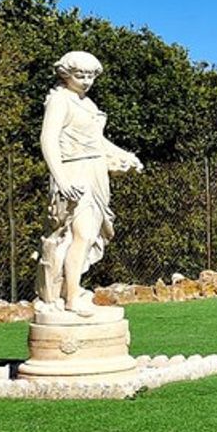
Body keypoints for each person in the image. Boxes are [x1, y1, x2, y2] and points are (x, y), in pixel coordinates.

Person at [37, 51, 142, 314]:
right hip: (74, 171)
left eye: (90, 76)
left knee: (90, 233)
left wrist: (123, 155)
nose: (85, 81)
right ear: (65, 74)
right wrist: (60, 178)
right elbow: (47, 140)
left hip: (95, 171)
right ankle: (70, 297)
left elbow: (97, 141)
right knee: (80, 234)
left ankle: (73, 289)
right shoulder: (60, 101)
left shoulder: (88, 104)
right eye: (80, 75)